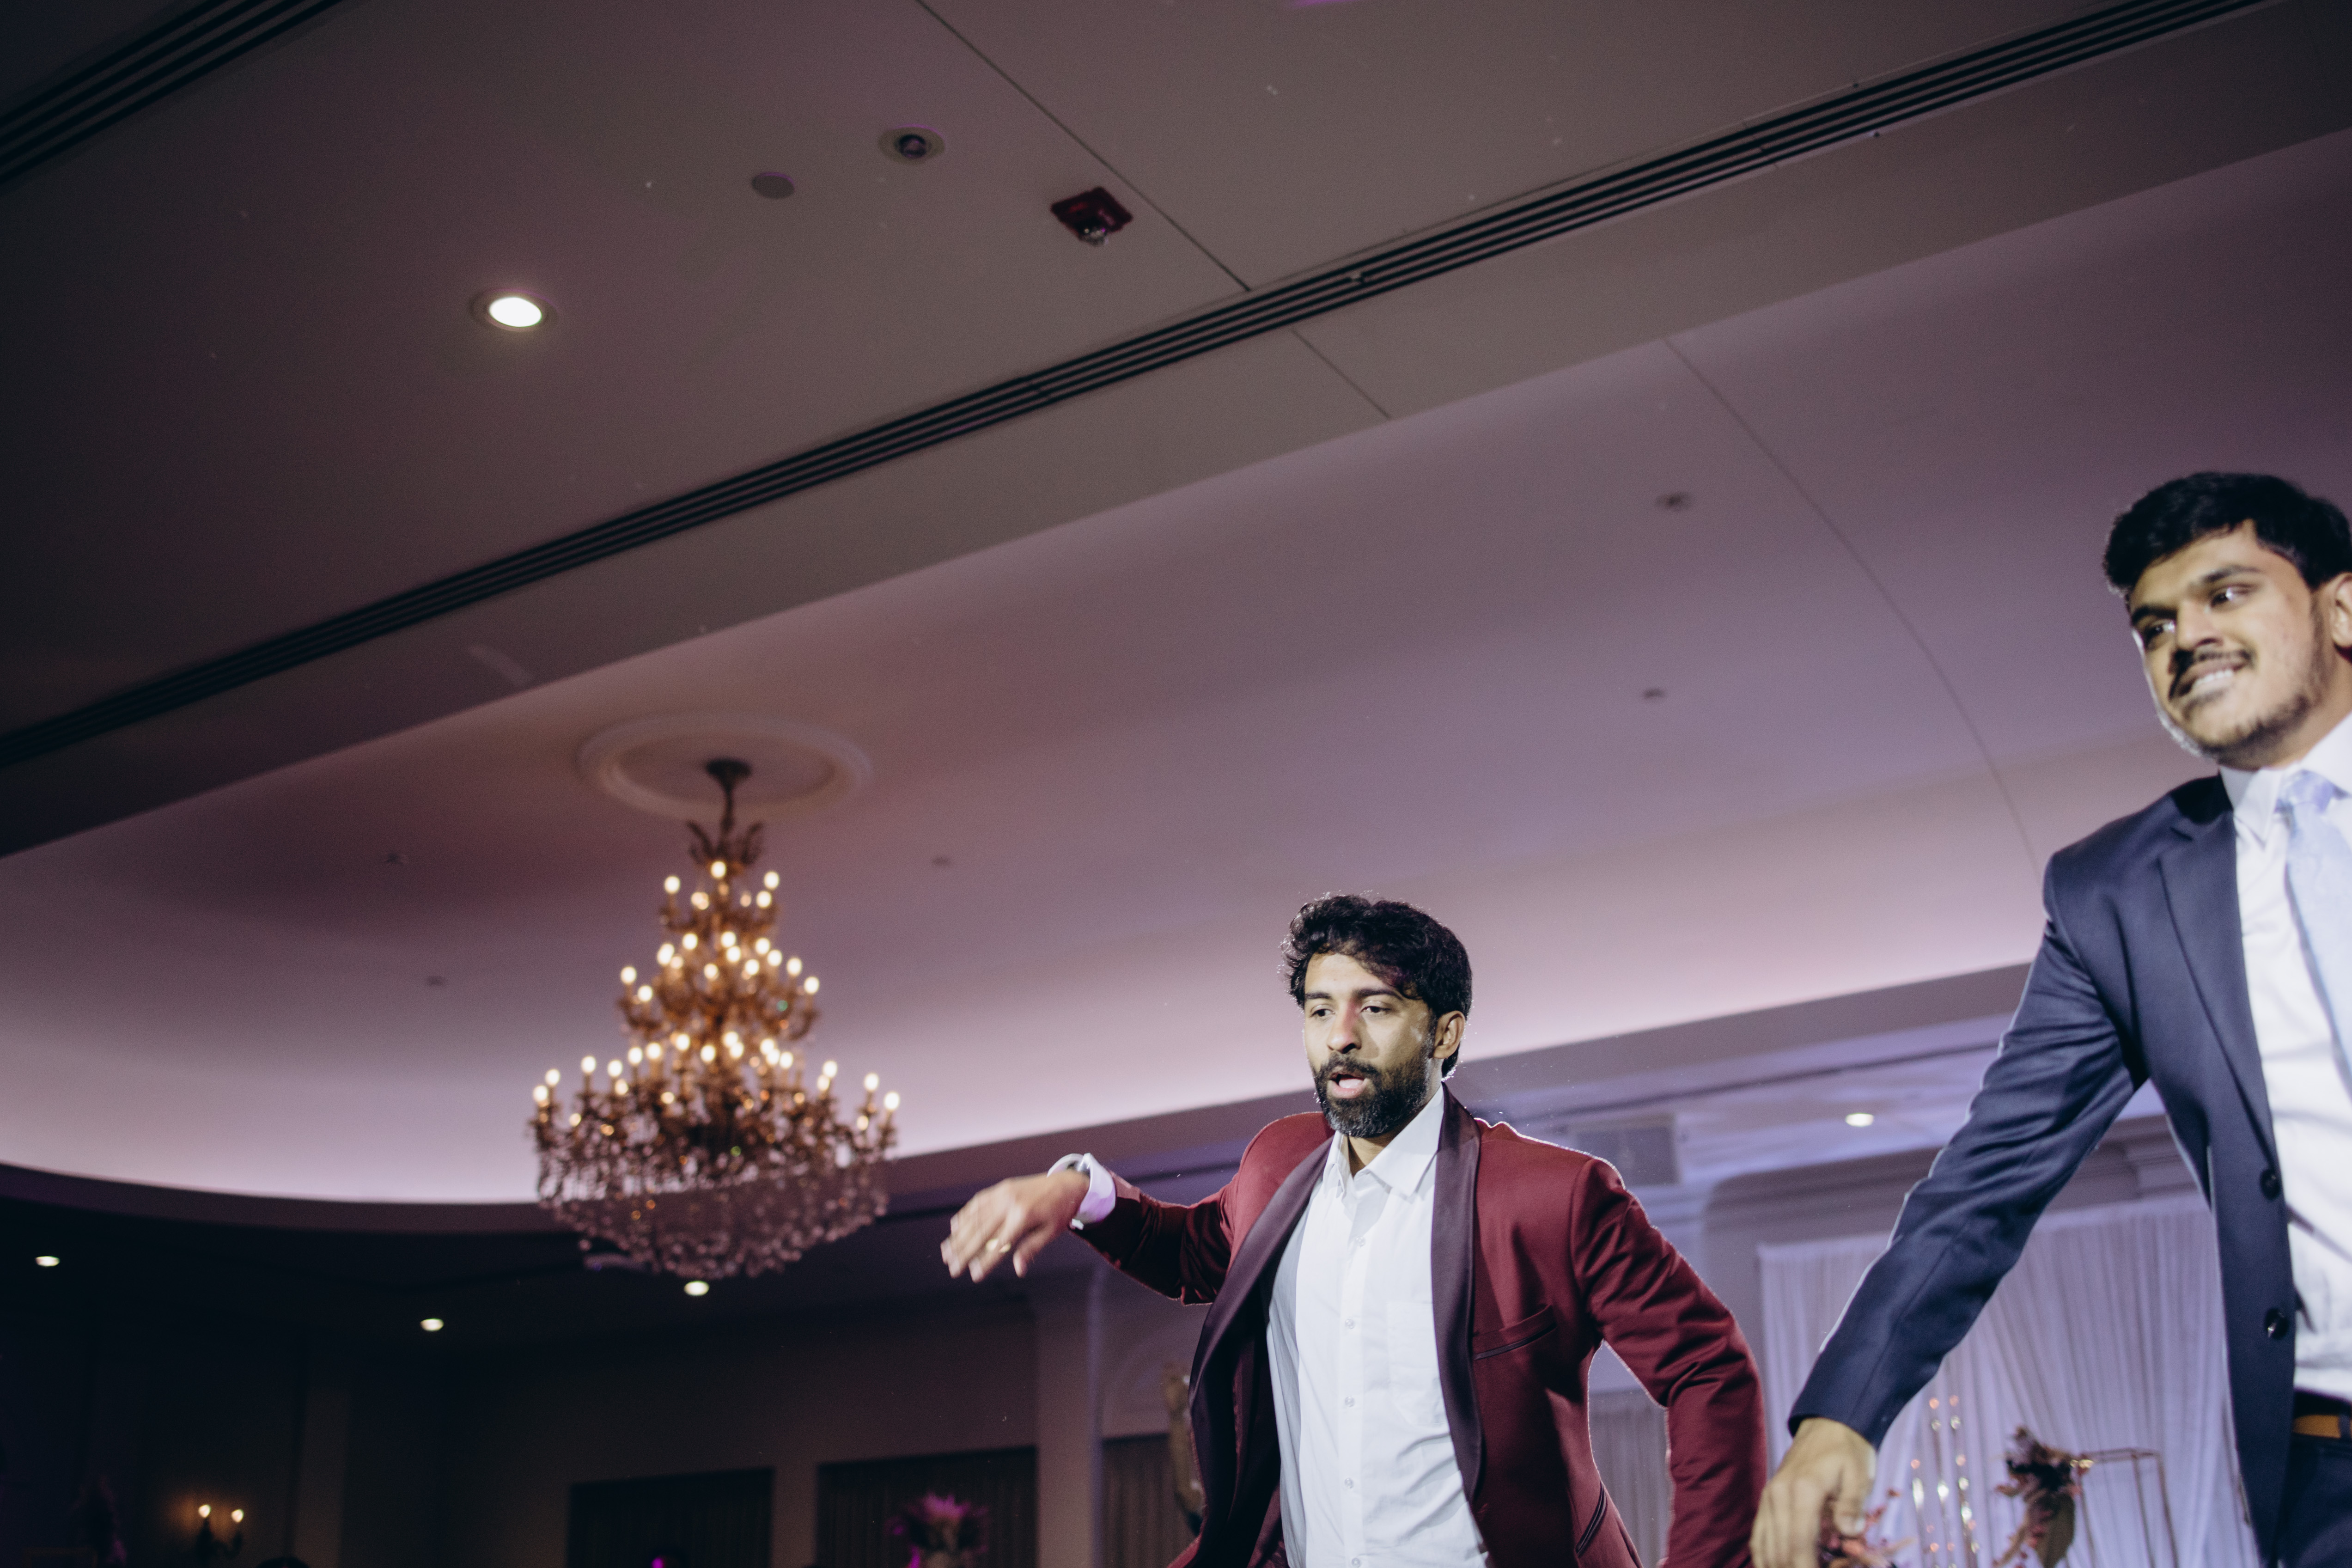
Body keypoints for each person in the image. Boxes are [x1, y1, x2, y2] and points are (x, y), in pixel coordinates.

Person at [1751, 472, 2352, 1568]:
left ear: (2340, 608)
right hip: (2330, 1476)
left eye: (2226, 594)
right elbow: (1988, 1173)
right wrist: (1842, 1412)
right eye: (2153, 626)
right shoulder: (2115, 892)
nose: (2185, 638)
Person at [944, 895, 1766, 1568]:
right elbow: (1196, 1254)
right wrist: (1078, 1191)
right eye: (1319, 1009)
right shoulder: (1276, 1161)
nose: (1340, 1034)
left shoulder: (1557, 1194)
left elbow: (1708, 1368)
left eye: (1374, 1007)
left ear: (1444, 1033)